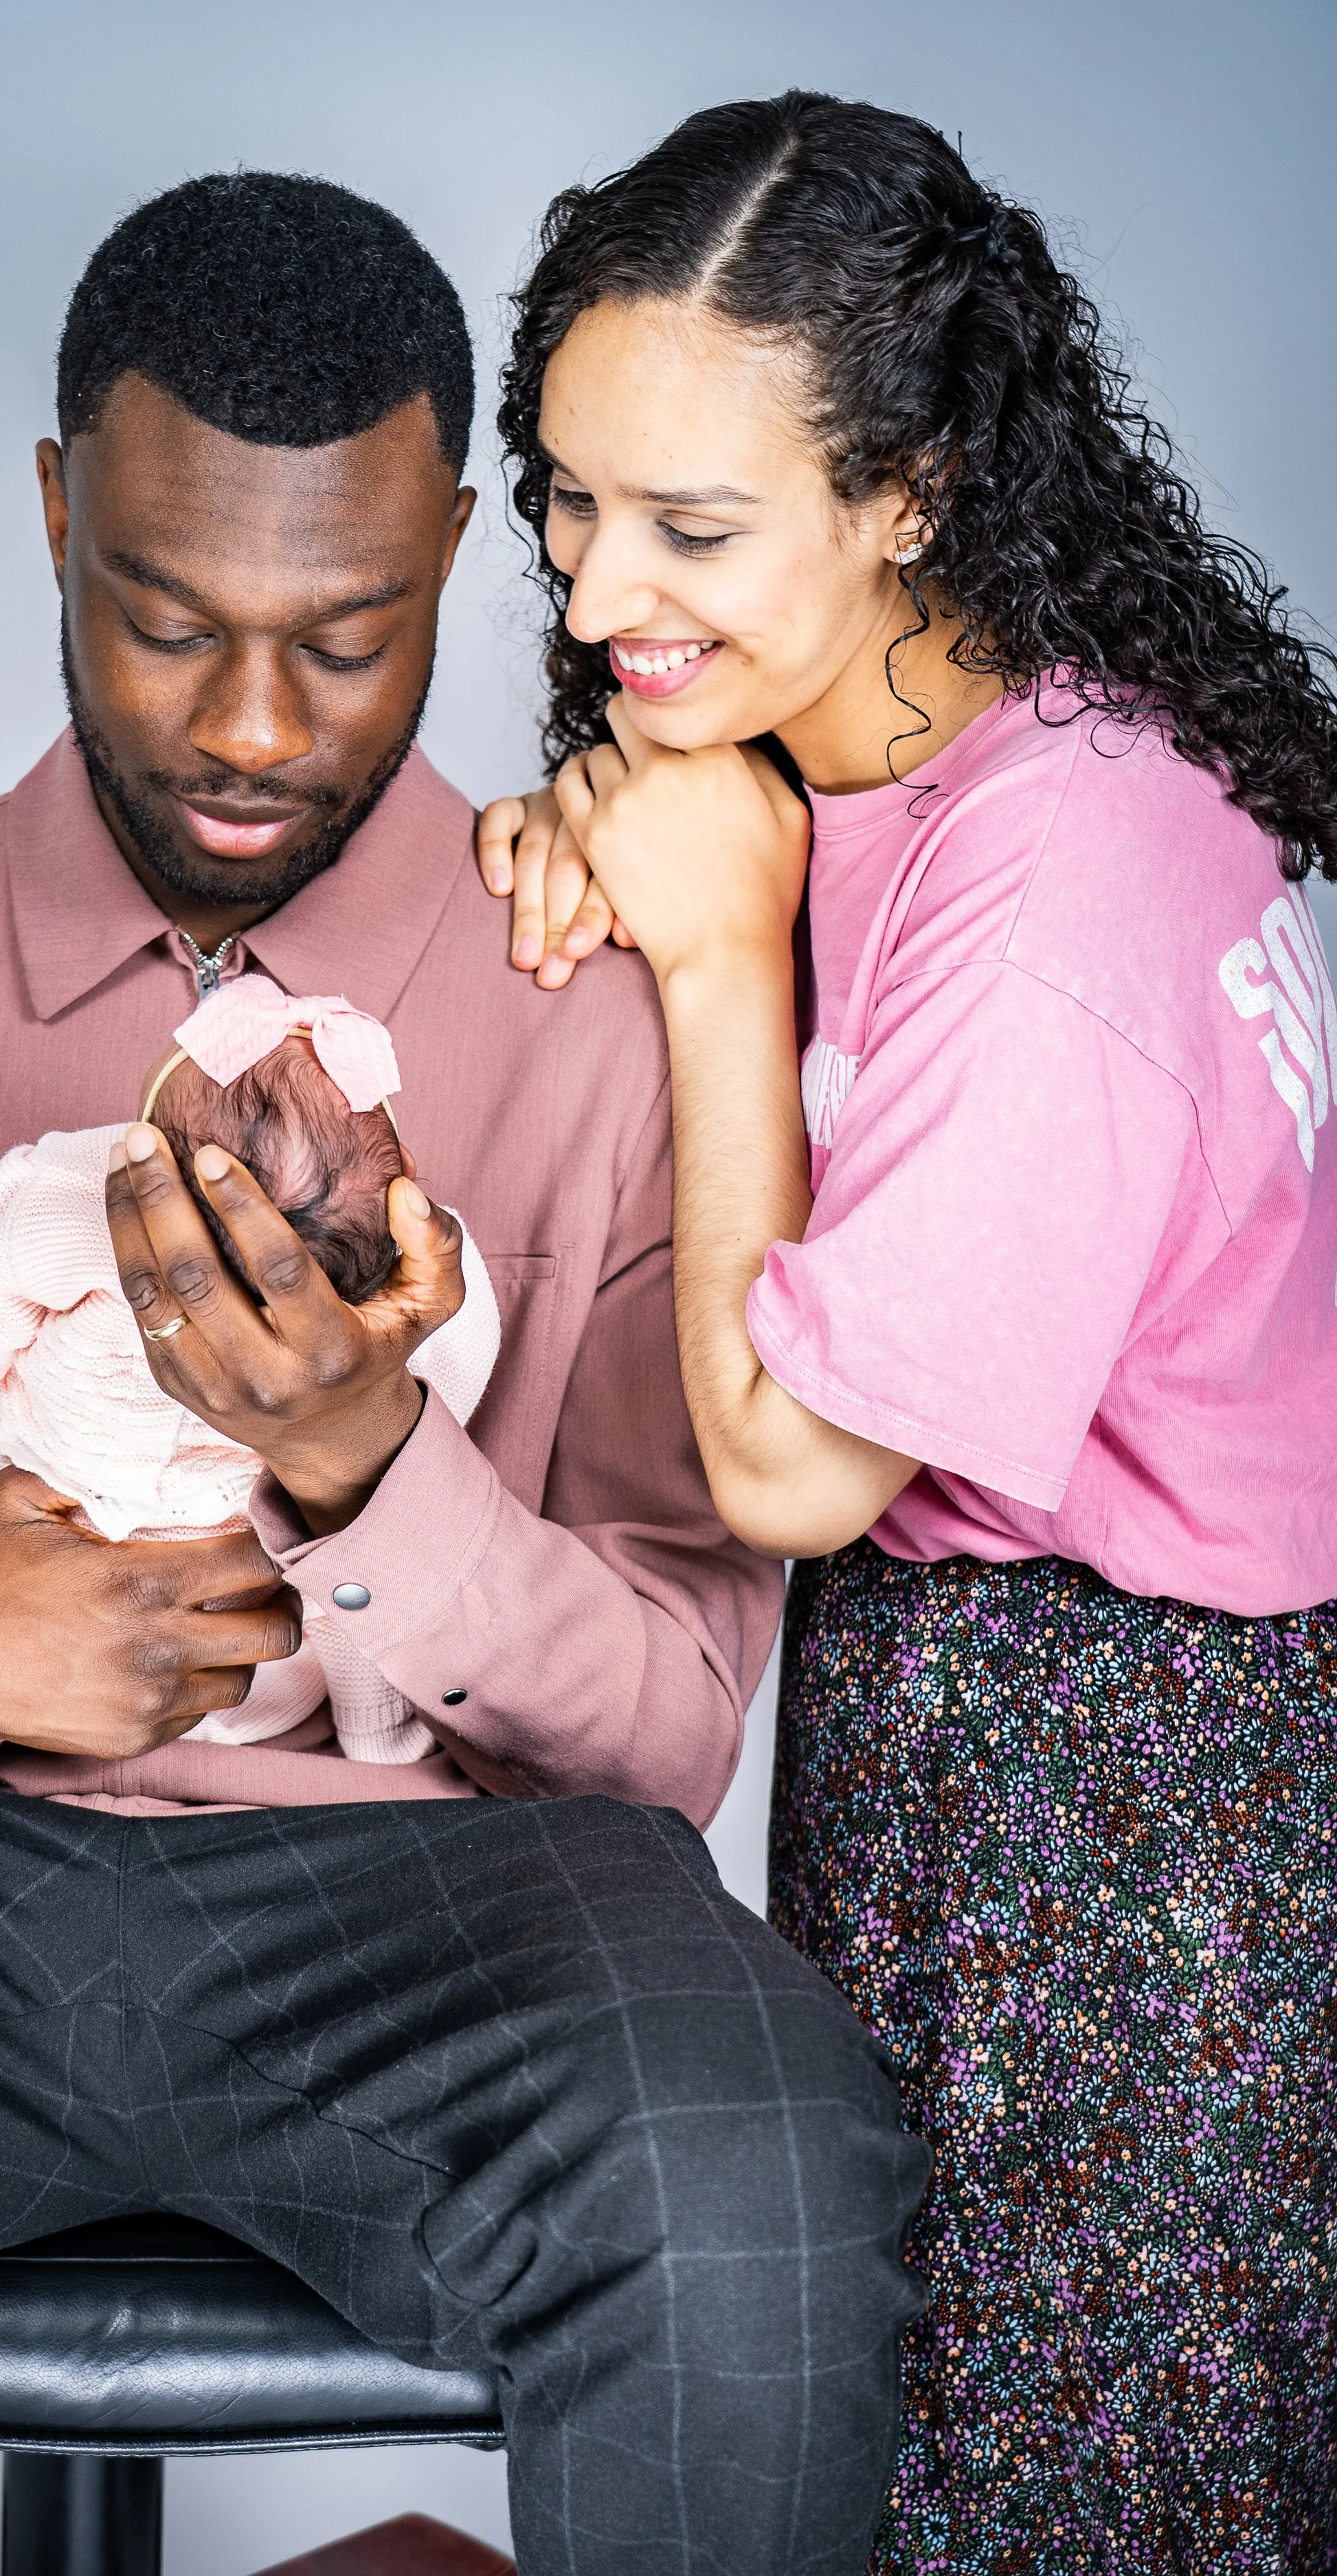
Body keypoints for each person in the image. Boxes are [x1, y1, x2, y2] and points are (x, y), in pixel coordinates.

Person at [0, 172, 929, 2575]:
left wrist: (366, 1466)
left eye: (347, 638)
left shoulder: (616, 1008)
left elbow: (666, 1728)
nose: (246, 726)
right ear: (53, 512)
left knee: (769, 2143)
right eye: (157, 616)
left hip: (432, 1937)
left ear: (457, 548)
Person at [478, 91, 1337, 2572]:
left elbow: (780, 1469)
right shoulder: (899, 722)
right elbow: (705, 813)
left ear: (914, 490)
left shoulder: (1058, 897)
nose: (602, 580)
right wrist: (614, 822)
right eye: (567, 496)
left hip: (1124, 1810)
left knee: (1060, 2507)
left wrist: (717, 950)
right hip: (1002, 1730)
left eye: (692, 527)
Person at [0, 974, 502, 1764]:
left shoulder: (65, 1196)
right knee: (351, 1590)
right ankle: (384, 1746)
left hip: (56, 1536)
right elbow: (450, 1383)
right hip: (263, 1627)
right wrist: (368, 1454)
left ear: (144, 1149)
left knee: (19, 1515)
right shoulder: (431, 1266)